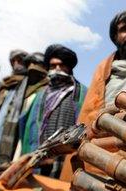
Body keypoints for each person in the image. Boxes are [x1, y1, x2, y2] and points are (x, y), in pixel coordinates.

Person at [60, 8, 126, 182]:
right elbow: (88, 116)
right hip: (101, 149)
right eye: (124, 29)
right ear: (115, 36)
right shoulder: (102, 70)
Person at [31, 44, 87, 178]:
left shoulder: (82, 93)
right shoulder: (40, 95)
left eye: (61, 65)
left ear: (69, 67)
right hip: (40, 155)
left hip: (66, 157)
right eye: (53, 66)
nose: (57, 69)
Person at [0, 49, 28, 159]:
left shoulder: (27, 82)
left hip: (13, 122)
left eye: (20, 60)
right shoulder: (6, 82)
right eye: (14, 61)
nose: (16, 64)